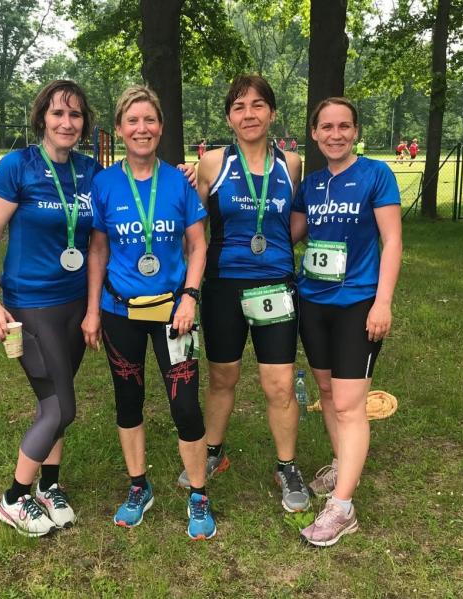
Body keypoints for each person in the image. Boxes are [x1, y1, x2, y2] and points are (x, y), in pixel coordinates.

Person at [81, 85, 216, 540]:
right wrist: (92, 311)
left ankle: (198, 493)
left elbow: (198, 244)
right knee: (128, 399)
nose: (142, 128)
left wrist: (190, 296)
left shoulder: (179, 182)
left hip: (174, 312)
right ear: (120, 129)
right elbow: (98, 250)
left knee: (185, 405)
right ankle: (139, 486)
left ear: (161, 126)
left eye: (150, 120)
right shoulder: (104, 183)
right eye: (133, 121)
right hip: (119, 310)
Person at [0, 80, 103, 537]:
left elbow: (102, 234)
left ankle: (49, 486)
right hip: (29, 306)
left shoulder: (90, 172)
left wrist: (186, 174)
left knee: (54, 398)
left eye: (75, 114)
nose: (67, 122)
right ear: (42, 118)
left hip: (74, 305)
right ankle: (13, 499)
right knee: (60, 408)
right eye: (58, 113)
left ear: (84, 122)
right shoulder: (19, 166)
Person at [182, 74, 309, 513]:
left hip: (275, 283)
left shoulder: (291, 164)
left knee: (279, 384)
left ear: (272, 113)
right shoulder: (212, 164)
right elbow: (192, 223)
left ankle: (287, 466)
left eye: (257, 105)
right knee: (223, 377)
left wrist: (275, 249)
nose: (249, 114)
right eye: (239, 106)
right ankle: (213, 451)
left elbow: (296, 219)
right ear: (229, 117)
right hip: (223, 286)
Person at [291, 97, 402, 547]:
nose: (335, 134)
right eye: (326, 127)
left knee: (349, 405)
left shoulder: (376, 174)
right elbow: (289, 234)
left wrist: (383, 302)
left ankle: (342, 508)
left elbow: (392, 240)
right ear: (314, 134)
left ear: (355, 131)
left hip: (358, 302)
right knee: (327, 393)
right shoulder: (311, 185)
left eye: (343, 126)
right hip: (313, 302)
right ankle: (342, 466)